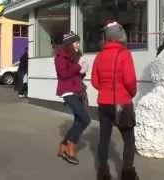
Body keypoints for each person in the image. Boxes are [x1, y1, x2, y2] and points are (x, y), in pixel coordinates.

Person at [91, 21, 139, 180]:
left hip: (104, 103)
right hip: (122, 103)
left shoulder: (99, 55)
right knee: (129, 139)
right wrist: (130, 94)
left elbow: (95, 82)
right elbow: (130, 81)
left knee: (104, 138)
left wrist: (105, 91)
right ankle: (127, 173)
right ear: (120, 35)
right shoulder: (125, 53)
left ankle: (103, 173)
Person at [55, 31, 91, 165]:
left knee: (78, 120)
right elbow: (63, 74)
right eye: (76, 42)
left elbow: (76, 74)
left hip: (77, 90)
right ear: (69, 44)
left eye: (78, 43)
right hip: (67, 92)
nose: (78, 45)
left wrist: (83, 71)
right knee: (85, 119)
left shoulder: (76, 56)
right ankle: (71, 146)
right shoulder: (60, 56)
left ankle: (63, 146)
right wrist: (78, 67)